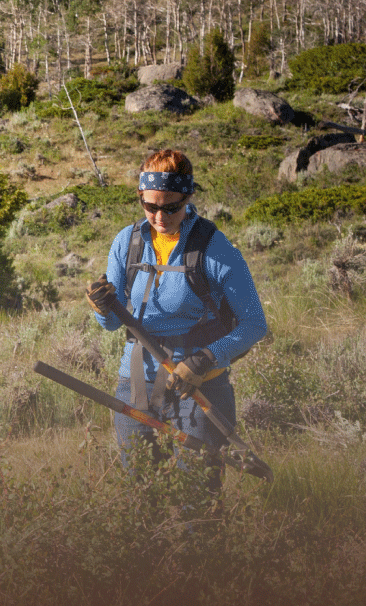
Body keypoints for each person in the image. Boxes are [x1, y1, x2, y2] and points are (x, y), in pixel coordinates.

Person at [87, 149, 269, 493]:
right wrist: (102, 309)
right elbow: (113, 324)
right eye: (150, 206)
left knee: (197, 498)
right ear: (141, 198)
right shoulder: (126, 243)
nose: (159, 216)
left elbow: (255, 324)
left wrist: (202, 360)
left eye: (171, 207)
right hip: (136, 382)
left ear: (187, 198)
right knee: (142, 494)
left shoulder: (214, 249)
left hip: (200, 386)